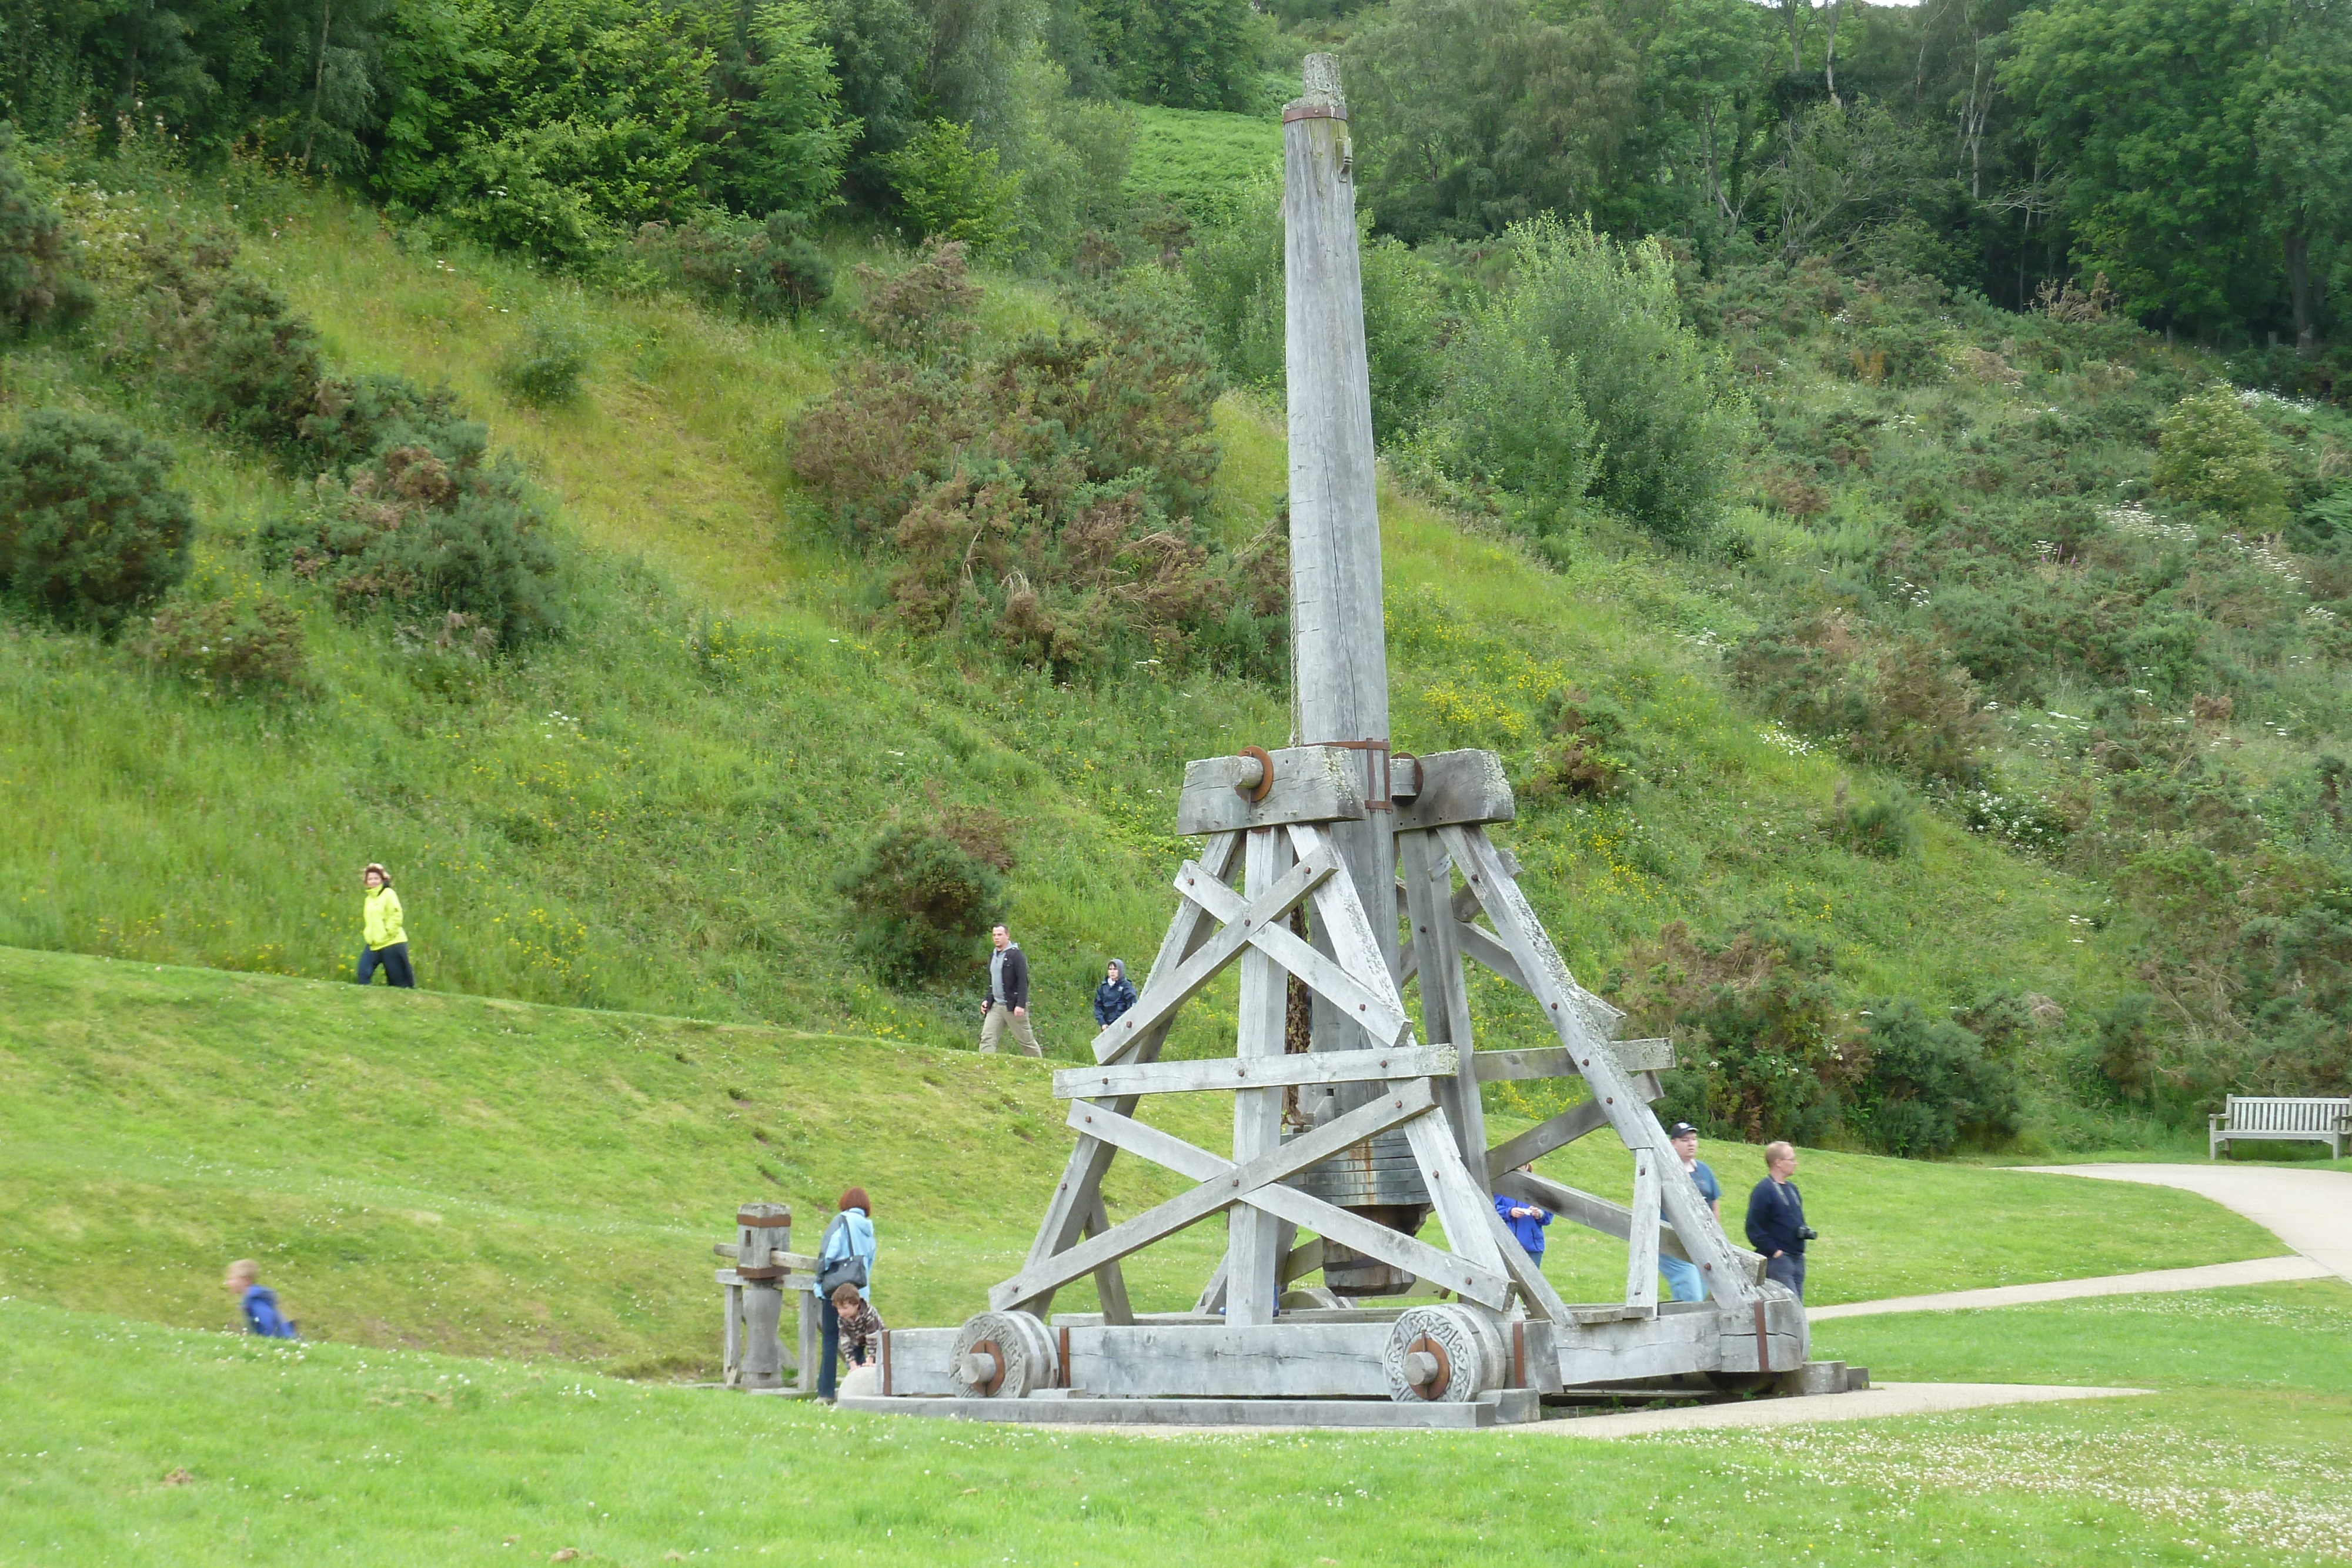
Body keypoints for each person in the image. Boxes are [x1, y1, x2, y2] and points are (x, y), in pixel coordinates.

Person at [814, 1188, 877, 1403]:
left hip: (838, 1292)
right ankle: (858, 1392)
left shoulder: (840, 1222)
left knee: (832, 1340)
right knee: (858, 1340)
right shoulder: (868, 1228)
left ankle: (826, 1392)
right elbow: (870, 1259)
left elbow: (828, 1253)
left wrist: (819, 1280)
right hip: (861, 1293)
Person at [1658, 1121, 1722, 1303]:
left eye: (1694, 1139)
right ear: (1673, 1143)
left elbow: (1714, 1203)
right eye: (1685, 1140)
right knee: (1691, 1296)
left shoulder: (1703, 1170)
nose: (1691, 1143)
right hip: (1673, 1243)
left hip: (1702, 1244)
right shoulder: (1664, 1170)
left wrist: (1715, 1236)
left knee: (1702, 1296)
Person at [1745, 1141, 1812, 1300]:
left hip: (1797, 1257)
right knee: (1789, 1308)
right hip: (1779, 1261)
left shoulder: (1792, 1189)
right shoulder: (1764, 1190)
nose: (1795, 1163)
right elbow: (1753, 1228)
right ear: (1779, 1163)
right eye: (1791, 1159)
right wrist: (1774, 1252)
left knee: (1797, 1307)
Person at [979, 924, 1039, 1057]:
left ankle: (1039, 1066)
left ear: (1008, 936)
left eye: (1000, 935)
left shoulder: (1016, 955)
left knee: (1026, 1041)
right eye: (994, 935)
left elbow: (1023, 981)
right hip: (996, 1006)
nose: (996, 938)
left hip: (1012, 1006)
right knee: (987, 1038)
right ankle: (984, 1065)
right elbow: (993, 982)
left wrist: (1021, 1004)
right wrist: (987, 1000)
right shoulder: (993, 956)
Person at [355, 863, 415, 988]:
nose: (373, 881)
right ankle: (367, 1000)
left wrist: (388, 933)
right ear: (366, 882)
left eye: (376, 878)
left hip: (392, 943)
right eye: (370, 879)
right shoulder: (369, 899)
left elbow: (396, 915)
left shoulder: (389, 894)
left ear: (383, 880)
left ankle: (403, 1003)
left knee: (399, 982)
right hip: (374, 944)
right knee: (363, 972)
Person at [222, 1259, 299, 1340]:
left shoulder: (255, 1299)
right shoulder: (252, 1297)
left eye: (232, 1279)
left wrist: (269, 1339)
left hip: (280, 1339)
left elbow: (267, 1322)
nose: (228, 1283)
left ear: (245, 1280)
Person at [1494, 1172, 1552, 1268]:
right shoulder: (1501, 1187)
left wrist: (1539, 1214)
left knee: (1532, 1280)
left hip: (1531, 1248)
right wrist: (1509, 1212)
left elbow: (1548, 1218)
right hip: (1505, 1246)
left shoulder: (1537, 1188)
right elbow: (1491, 1209)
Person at [831, 1282, 885, 1375]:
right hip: (856, 1341)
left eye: (845, 1308)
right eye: (839, 1309)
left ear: (856, 1305)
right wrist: (852, 1363)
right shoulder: (842, 1319)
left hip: (878, 1340)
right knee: (854, 1367)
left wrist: (871, 1359)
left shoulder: (869, 1313)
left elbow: (873, 1336)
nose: (841, 1312)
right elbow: (845, 1340)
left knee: (877, 1366)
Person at [1092, 958, 1137, 1028]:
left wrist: (1127, 1020)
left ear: (1120, 970)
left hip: (1122, 1024)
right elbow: (1098, 1006)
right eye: (1110, 969)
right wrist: (1103, 1023)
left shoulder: (1126, 986)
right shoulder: (1103, 987)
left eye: (1115, 969)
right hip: (1107, 1026)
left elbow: (1132, 1004)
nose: (1112, 972)